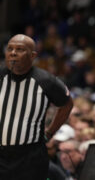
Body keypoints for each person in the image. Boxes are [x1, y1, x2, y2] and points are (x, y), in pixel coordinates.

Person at [0, 34, 73, 180]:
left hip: (30, 157)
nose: (13, 53)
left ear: (32, 55)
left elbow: (67, 105)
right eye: (10, 49)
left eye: (19, 49)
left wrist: (50, 132)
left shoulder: (46, 80)